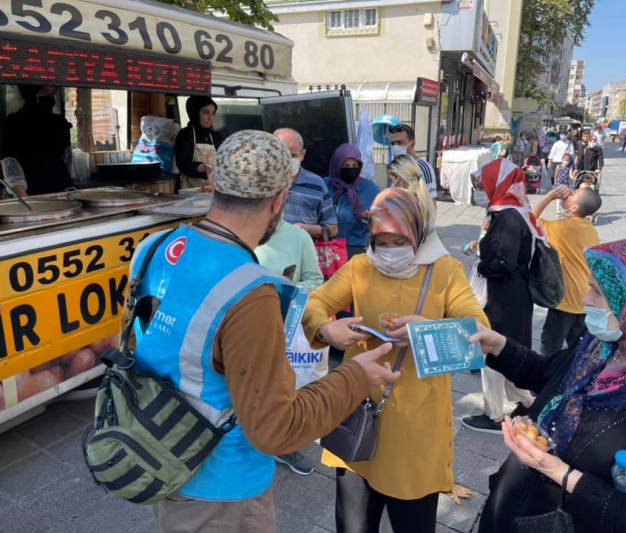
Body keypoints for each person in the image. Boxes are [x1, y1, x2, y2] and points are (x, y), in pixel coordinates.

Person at [134, 130, 400, 533]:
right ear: (279, 200)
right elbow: (277, 429)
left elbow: (197, 343)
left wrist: (319, 332)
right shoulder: (250, 290)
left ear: (214, 184)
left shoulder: (152, 248)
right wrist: (356, 376)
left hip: (161, 458)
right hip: (223, 492)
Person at [473, 238, 626, 532]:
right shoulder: (607, 343)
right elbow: (550, 373)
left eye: (598, 292)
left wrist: (560, 472)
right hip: (514, 508)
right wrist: (498, 346)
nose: (585, 299)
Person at [302, 187, 489, 533]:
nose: (388, 252)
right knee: (354, 524)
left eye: (398, 241)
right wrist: (328, 331)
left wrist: (427, 331)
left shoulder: (444, 271)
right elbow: (314, 304)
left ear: (418, 233)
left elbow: (479, 331)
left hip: (417, 426)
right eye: (380, 242)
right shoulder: (360, 267)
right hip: (357, 414)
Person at [461, 158, 539, 434]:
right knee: (503, 352)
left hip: (504, 298)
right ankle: (529, 401)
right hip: (510, 296)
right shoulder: (509, 211)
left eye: (481, 185)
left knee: (490, 353)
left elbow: (502, 263)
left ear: (498, 184)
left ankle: (493, 415)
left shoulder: (506, 217)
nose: (478, 191)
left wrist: (482, 265)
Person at [255, 217, 324, 476]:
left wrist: (287, 289)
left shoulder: (298, 237)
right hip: (245, 326)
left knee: (285, 385)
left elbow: (315, 280)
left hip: (287, 324)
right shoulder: (237, 234)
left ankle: (285, 443)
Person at [532, 187, 602, 354]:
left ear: (574, 208)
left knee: (550, 346)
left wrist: (549, 196)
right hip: (585, 297)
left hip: (565, 298)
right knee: (577, 347)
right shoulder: (590, 229)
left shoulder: (562, 228)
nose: (568, 193)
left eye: (573, 194)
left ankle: (548, 377)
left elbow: (530, 220)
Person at [1, 85, 72, 195]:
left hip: (62, 188)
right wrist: (23, 197)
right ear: (30, 94)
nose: (49, 96)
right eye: (44, 91)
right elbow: (10, 162)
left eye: (52, 92)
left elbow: (65, 157)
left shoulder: (59, 122)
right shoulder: (15, 122)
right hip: (31, 191)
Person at [274, 128, 338, 240]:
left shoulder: (316, 184)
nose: (287, 160)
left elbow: (332, 229)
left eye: (293, 155)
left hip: (303, 254)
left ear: (302, 154)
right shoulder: (261, 183)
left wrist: (305, 228)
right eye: (282, 154)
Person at [325, 144, 380, 258]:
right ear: (337, 165)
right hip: (327, 253)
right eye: (346, 165)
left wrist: (371, 218)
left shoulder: (370, 188)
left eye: (354, 165)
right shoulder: (325, 186)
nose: (351, 169)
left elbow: (383, 219)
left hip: (356, 252)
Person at [174, 95, 224, 189]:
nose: (211, 118)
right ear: (195, 113)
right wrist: (204, 167)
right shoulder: (185, 135)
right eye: (206, 113)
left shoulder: (216, 137)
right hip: (189, 189)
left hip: (213, 188)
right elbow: (183, 164)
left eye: (213, 113)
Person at [389, 124, 437, 201]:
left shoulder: (424, 168)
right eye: (392, 143)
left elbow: (432, 205)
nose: (395, 147)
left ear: (412, 144)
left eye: (399, 142)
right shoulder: (395, 167)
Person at [387, 154, 437, 222]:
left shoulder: (404, 207)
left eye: (391, 180)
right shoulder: (423, 201)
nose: (391, 185)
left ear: (401, 180)